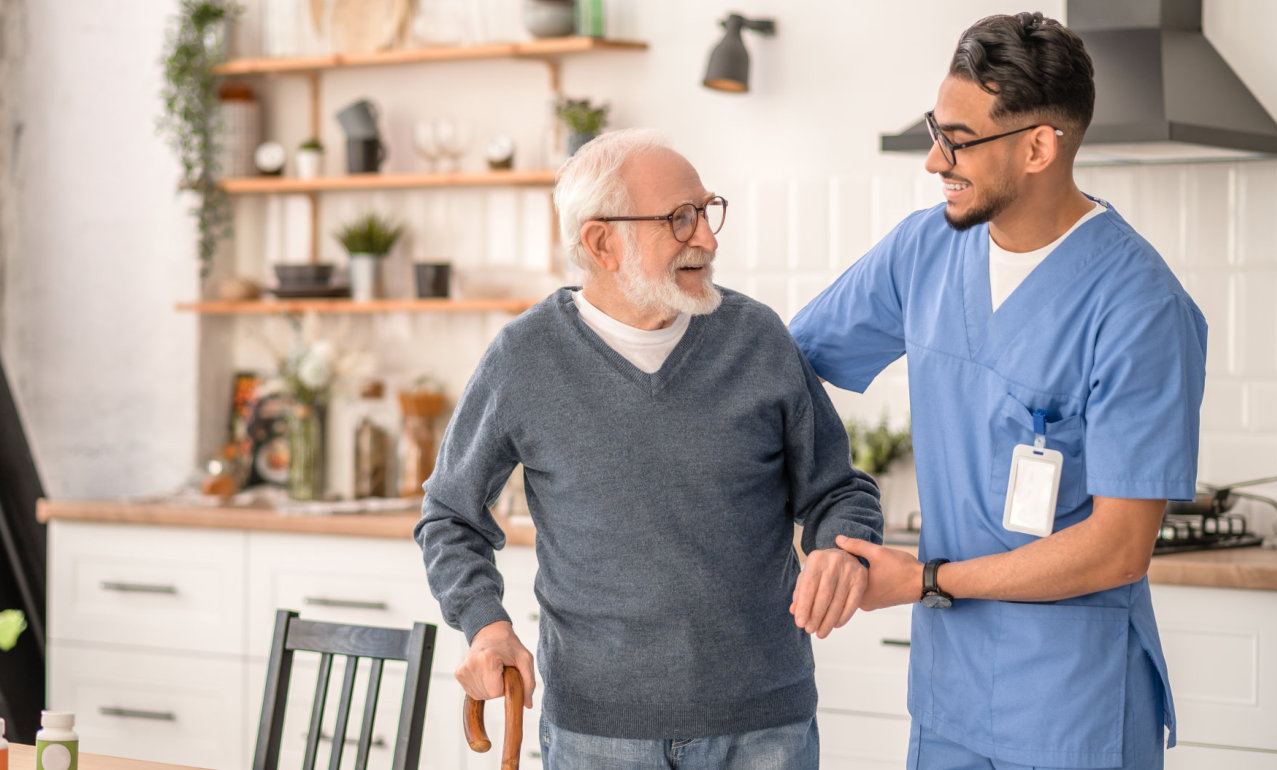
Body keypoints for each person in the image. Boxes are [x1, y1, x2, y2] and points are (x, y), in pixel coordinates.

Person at [789, 12, 1207, 770]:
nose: (932, 160)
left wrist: (924, 579)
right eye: (934, 129)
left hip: (1073, 707)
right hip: (949, 697)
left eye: (959, 139)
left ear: (1039, 146)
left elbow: (1119, 549)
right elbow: (784, 365)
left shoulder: (1141, 307)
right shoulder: (924, 250)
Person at [414, 128, 882, 770]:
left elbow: (837, 490)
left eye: (708, 211)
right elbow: (450, 516)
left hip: (765, 728)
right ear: (602, 242)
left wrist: (840, 548)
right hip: (598, 735)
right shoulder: (524, 359)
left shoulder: (757, 338)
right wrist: (486, 624)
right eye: (680, 219)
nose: (709, 239)